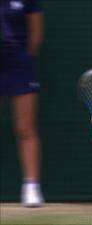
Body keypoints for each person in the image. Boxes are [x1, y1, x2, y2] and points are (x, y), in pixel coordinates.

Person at [0, 0, 44, 207]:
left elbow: (35, 33)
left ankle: (31, 187)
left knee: (25, 128)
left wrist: (23, 59)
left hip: (18, 63)